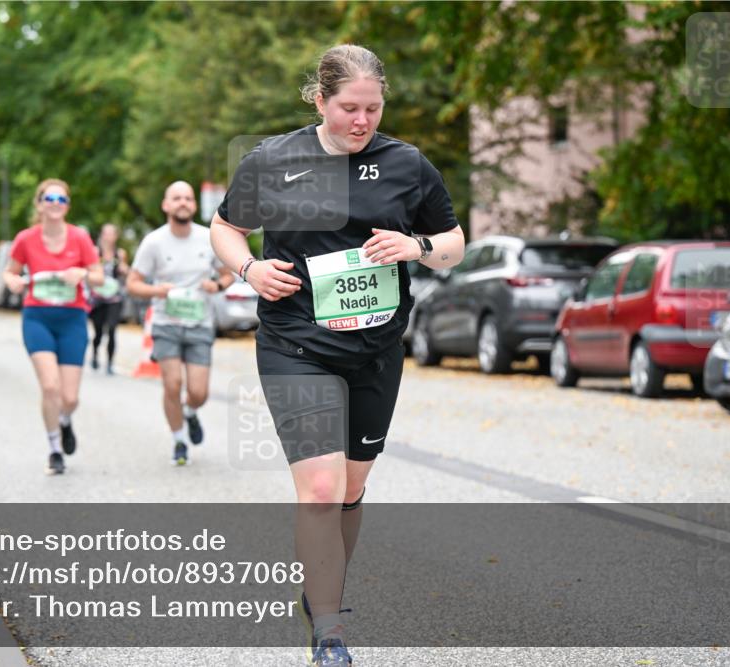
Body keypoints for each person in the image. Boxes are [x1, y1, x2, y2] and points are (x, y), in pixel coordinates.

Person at [210, 45, 465, 666]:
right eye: (349, 107)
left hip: (376, 349)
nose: (362, 120)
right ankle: (329, 631)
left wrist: (417, 244)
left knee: (351, 490)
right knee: (321, 490)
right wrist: (249, 268)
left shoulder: (407, 164)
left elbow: (454, 244)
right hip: (295, 342)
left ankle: (321, 589)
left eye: (373, 108)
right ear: (320, 101)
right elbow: (226, 226)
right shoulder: (274, 160)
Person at [126, 181, 234, 466]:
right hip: (166, 323)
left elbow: (227, 274)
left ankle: (189, 412)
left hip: (200, 323)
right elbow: (133, 284)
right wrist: (156, 290)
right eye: (176, 198)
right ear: (165, 205)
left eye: (188, 198)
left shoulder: (208, 237)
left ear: (195, 205)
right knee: (172, 385)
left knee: (198, 392)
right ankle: (179, 440)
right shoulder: (153, 242)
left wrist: (216, 285)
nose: (183, 202)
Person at [2, 179, 103, 475]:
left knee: (70, 398)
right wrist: (15, 282)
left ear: (68, 205)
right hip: (38, 317)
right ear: (39, 204)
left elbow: (99, 277)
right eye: (50, 198)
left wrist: (83, 272)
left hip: (72, 319)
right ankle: (54, 449)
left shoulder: (80, 238)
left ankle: (65, 420)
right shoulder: (25, 239)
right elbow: (9, 273)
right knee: (50, 387)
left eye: (61, 199)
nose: (56, 203)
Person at [89, 223, 129, 374]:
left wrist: (124, 270)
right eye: (106, 233)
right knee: (98, 331)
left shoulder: (120, 254)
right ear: (102, 235)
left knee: (112, 329)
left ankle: (110, 363)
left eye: (112, 233)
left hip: (114, 297)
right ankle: (94, 354)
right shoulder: (95, 252)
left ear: (116, 236)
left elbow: (126, 271)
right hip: (98, 298)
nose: (108, 236)